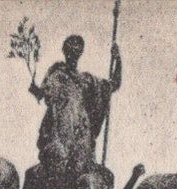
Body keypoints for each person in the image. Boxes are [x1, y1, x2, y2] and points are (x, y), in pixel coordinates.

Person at [31, 34, 122, 181]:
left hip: (81, 133)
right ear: (64, 51)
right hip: (58, 130)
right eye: (69, 50)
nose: (72, 54)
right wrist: (36, 90)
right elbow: (43, 94)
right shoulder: (56, 73)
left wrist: (117, 59)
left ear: (80, 53)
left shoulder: (87, 80)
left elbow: (113, 84)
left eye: (76, 51)